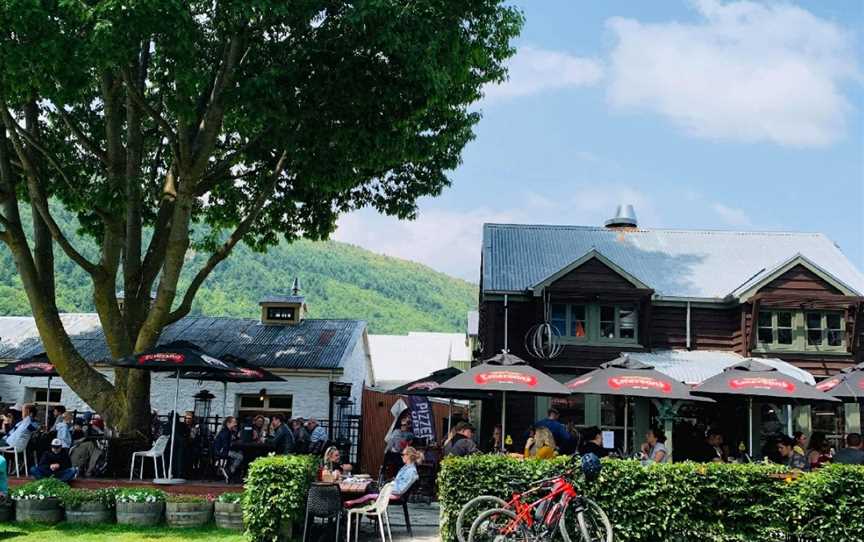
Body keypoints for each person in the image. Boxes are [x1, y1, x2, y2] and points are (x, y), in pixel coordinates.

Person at [345, 447, 423, 508]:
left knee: (368, 492)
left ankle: (352, 504)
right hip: (392, 492)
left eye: (403, 454)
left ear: (408, 456)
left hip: (395, 495)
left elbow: (400, 490)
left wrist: (386, 488)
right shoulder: (407, 468)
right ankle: (355, 505)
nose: (401, 456)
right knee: (370, 487)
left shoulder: (411, 471)